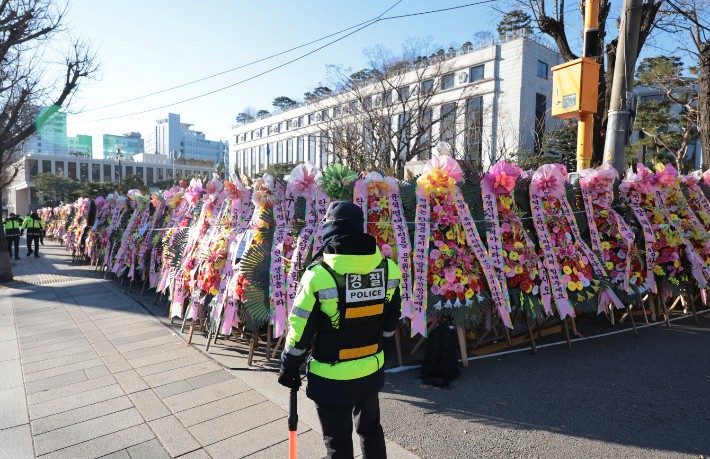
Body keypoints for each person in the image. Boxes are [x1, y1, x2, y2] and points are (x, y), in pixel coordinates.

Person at [278, 201, 402, 459]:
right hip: (371, 370)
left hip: (331, 376)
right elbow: (391, 319)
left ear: (329, 232)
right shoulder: (388, 268)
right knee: (371, 431)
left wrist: (290, 364)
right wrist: (381, 347)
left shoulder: (318, 274)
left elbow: (300, 327)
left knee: (338, 441)